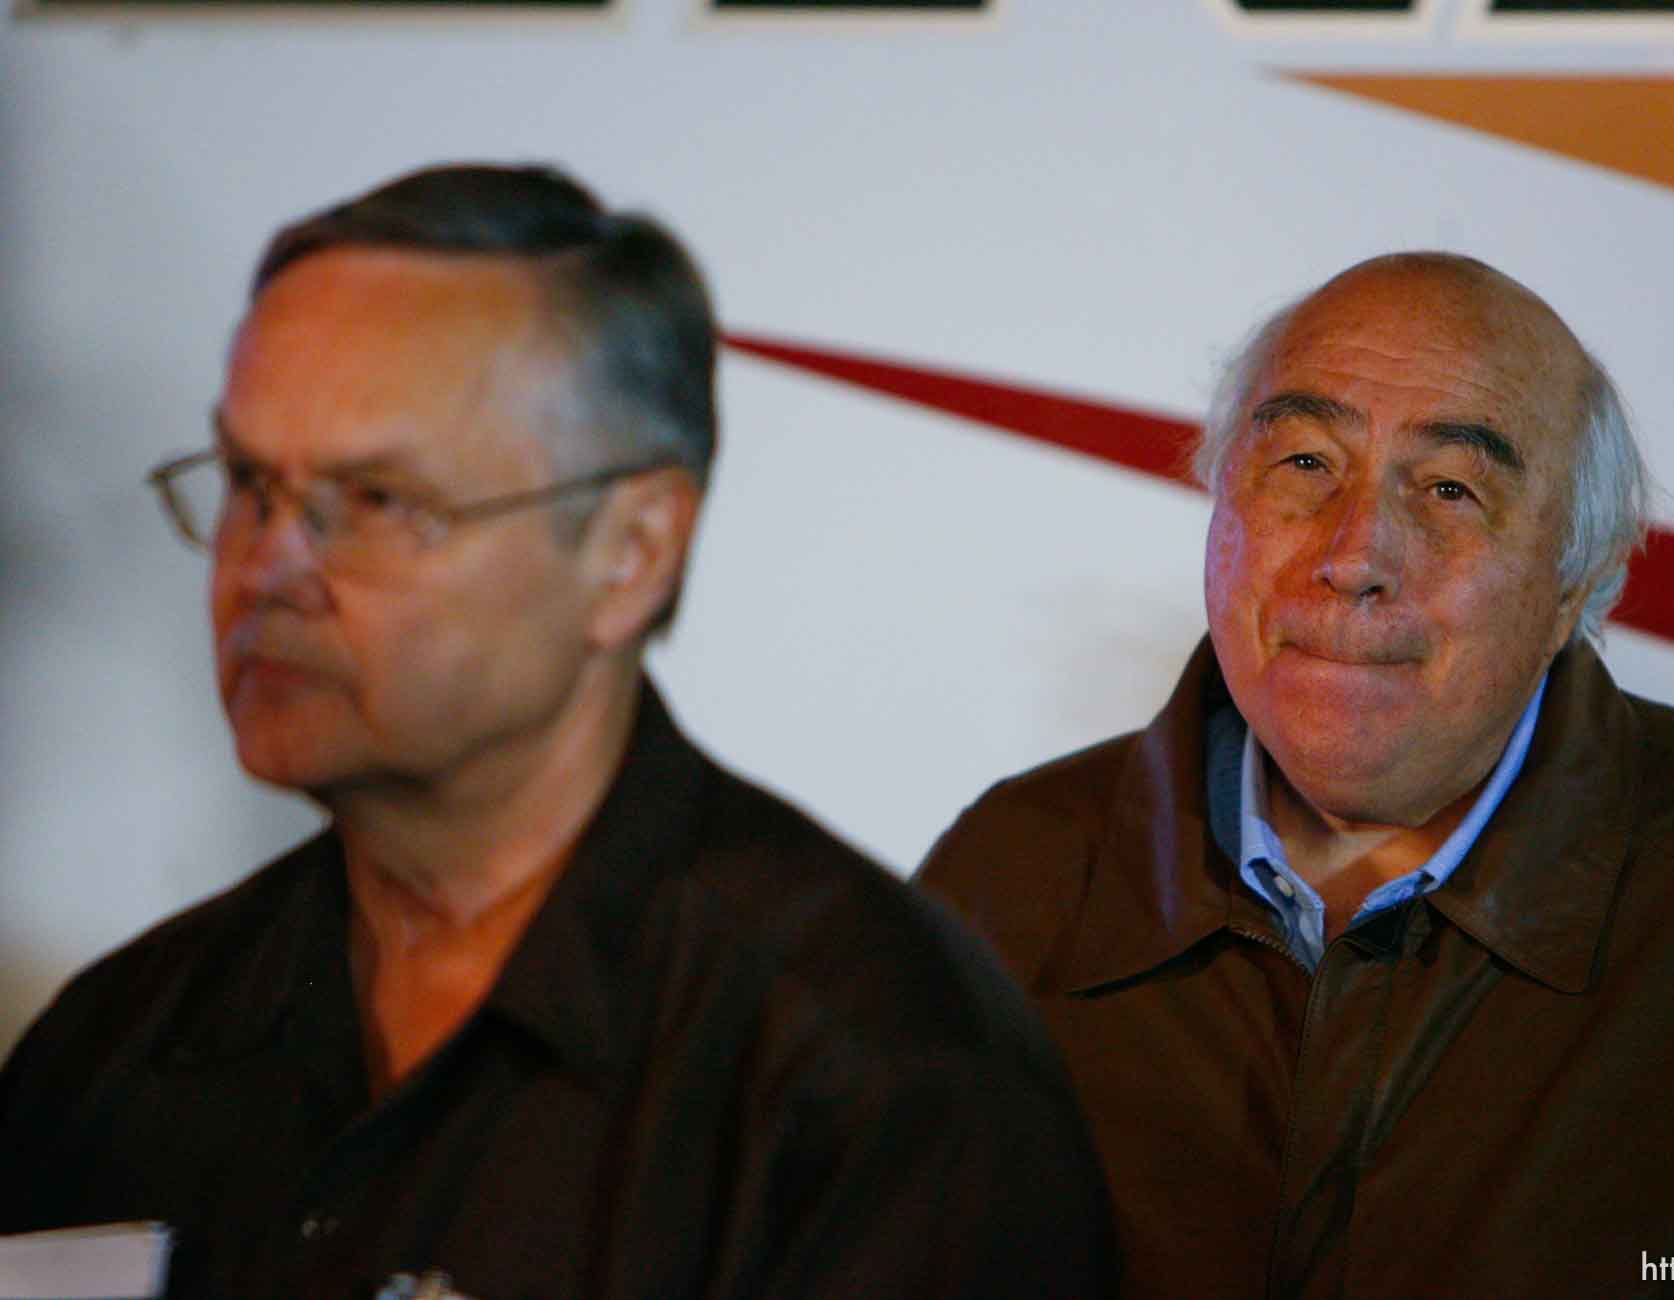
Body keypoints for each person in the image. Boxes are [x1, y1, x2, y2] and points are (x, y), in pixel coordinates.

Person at [0, 163, 1115, 1299]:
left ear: (631, 551)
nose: (269, 567)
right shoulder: (114, 1044)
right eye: (249, 481)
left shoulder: (878, 1080)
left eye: (377, 499)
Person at [919, 252, 1674, 1298]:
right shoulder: (1009, 875)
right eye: (1306, 464)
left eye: (1451, 488)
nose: (1357, 553)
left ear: (1577, 585)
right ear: (1219, 504)